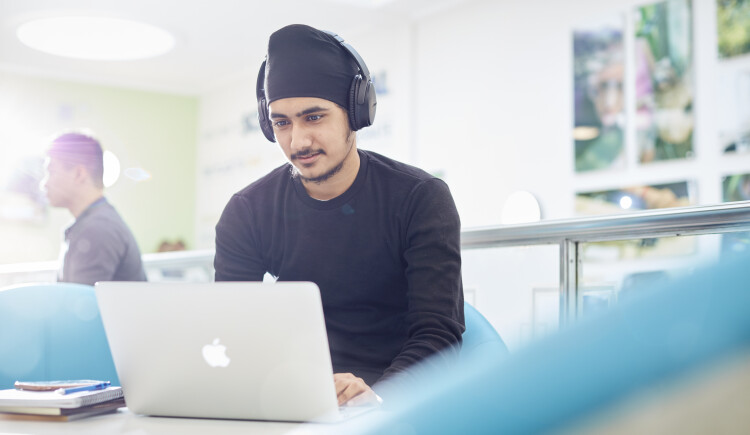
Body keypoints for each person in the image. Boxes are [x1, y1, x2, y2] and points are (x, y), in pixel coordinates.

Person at [214, 24, 465, 406]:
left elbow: (438, 335)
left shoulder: (420, 198)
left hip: (396, 400)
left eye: (314, 117)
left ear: (356, 112)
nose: (297, 141)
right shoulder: (247, 211)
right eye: (281, 122)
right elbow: (231, 330)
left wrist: (376, 401)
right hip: (296, 400)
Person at [42, 132, 147, 286]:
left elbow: (78, 308)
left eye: (51, 172)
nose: (44, 184)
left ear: (79, 174)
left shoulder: (97, 229)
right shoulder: (94, 223)